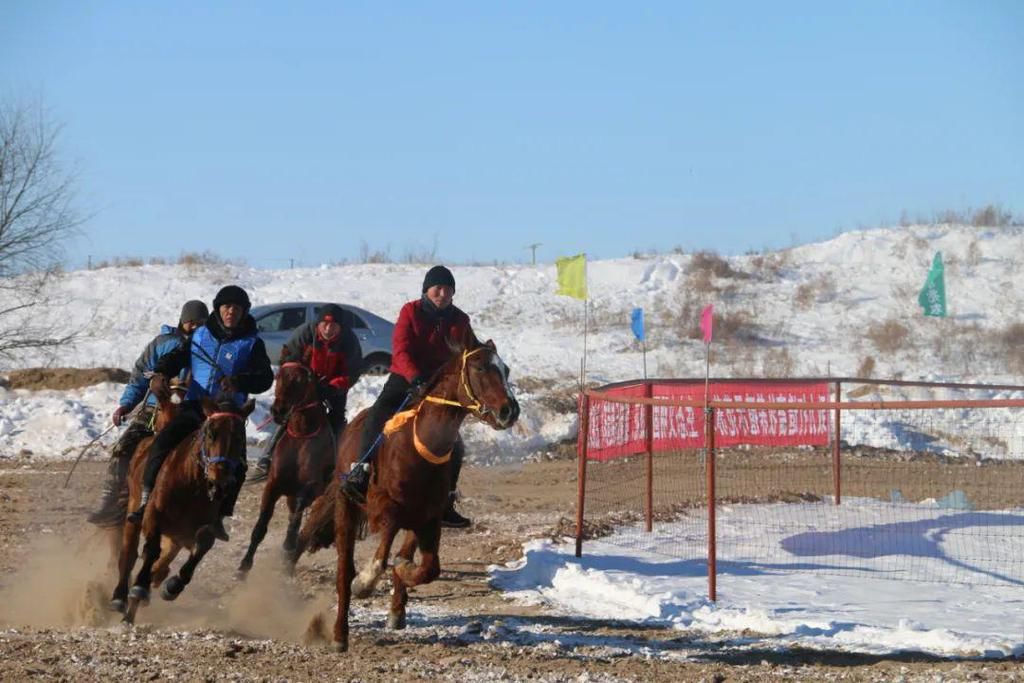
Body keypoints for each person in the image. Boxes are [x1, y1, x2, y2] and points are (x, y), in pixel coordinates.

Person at [126, 285, 274, 540]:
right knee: (163, 442)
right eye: (226, 307)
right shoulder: (201, 335)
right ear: (218, 309)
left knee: (237, 466)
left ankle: (219, 516)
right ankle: (146, 499)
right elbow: (177, 357)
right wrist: (162, 371)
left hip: (228, 413)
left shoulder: (252, 343)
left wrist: (239, 381)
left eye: (236, 308)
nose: (231, 312)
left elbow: (265, 378)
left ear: (243, 312)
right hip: (196, 404)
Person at [341, 265, 473, 528]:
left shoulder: (460, 320)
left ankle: (446, 500)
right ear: (427, 290)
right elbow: (400, 350)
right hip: (405, 379)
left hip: (438, 387)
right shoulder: (410, 311)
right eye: (438, 288)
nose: (443, 294)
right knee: (378, 415)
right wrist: (415, 378)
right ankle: (361, 469)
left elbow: (468, 350)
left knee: (454, 443)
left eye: (448, 289)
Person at [87, 300, 209, 528]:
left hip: (191, 409)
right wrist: (126, 405)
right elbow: (139, 378)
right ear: (182, 321)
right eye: (190, 322)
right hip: (155, 409)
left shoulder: (208, 347)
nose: (194, 327)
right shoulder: (161, 344)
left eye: (200, 323)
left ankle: (211, 509)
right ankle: (110, 500)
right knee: (123, 448)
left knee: (216, 452)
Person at [249, 303, 362, 482]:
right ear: (318, 324)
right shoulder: (305, 333)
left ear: (341, 327)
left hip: (333, 386)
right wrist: (305, 381)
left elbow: (351, 372)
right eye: (324, 324)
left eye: (333, 325)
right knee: (288, 416)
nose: (328, 328)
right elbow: (289, 360)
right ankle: (266, 458)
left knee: (337, 419)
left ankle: (337, 462)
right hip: (304, 383)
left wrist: (332, 387)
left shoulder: (349, 341)